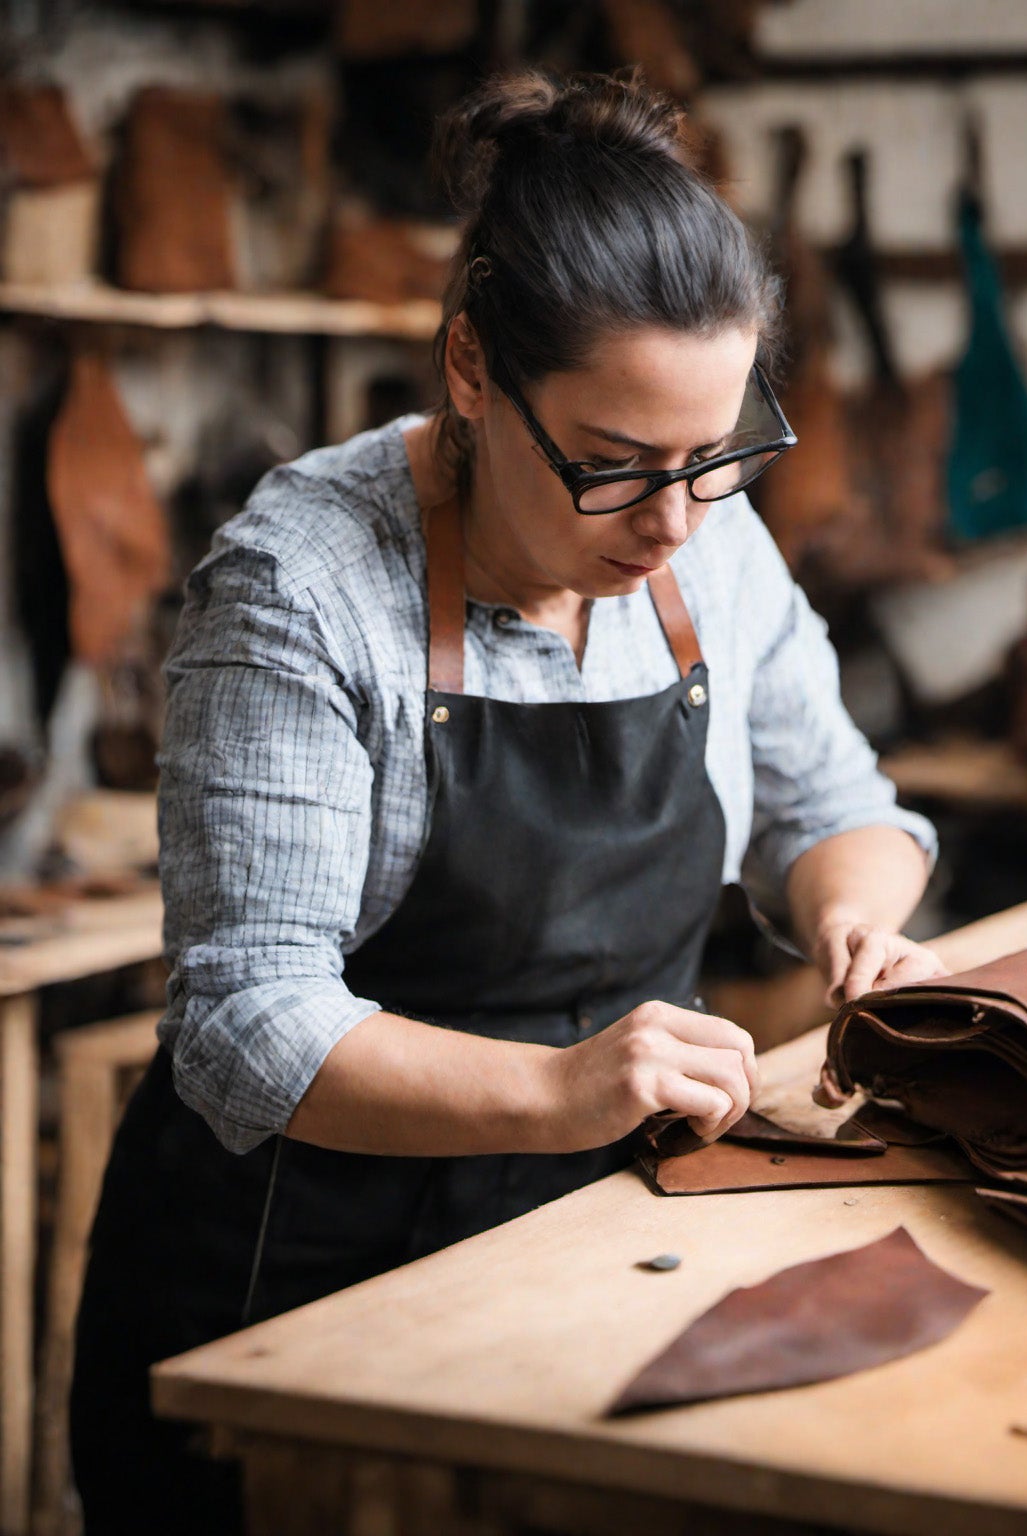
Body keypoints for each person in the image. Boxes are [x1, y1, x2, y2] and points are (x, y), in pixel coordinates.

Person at [70, 68, 943, 1535]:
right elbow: (245, 1022)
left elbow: (834, 803)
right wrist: (556, 1089)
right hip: (304, 1296)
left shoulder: (706, 553)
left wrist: (853, 923)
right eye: (611, 469)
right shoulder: (304, 585)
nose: (671, 525)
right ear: (473, 371)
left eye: (711, 459)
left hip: (597, 1253)